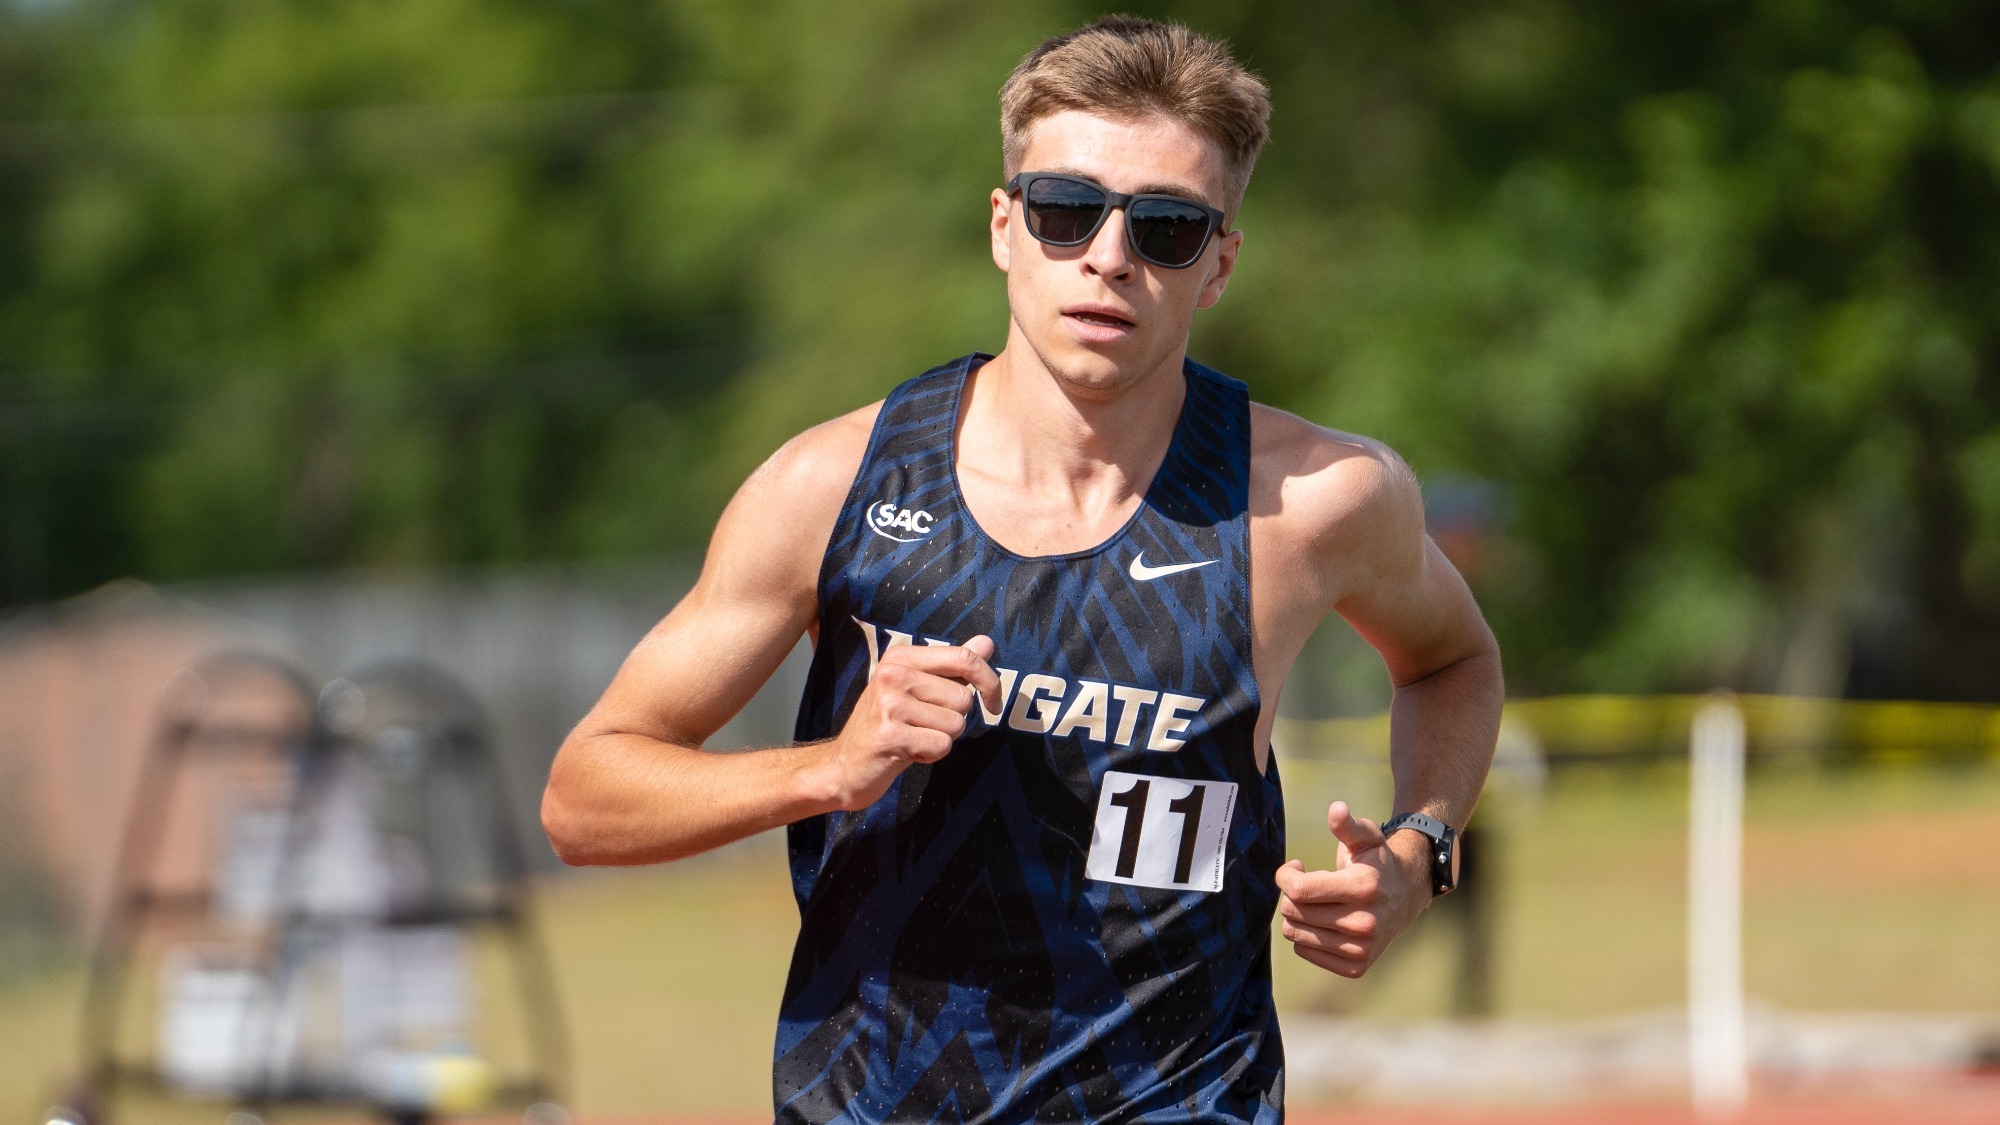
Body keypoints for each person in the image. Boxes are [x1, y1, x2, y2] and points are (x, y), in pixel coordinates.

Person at [541, 16, 1502, 1123]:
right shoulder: (832, 484)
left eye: (1167, 227)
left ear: (1220, 262)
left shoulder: (1315, 501)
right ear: (1004, 228)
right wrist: (828, 768)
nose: (1107, 256)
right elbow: (584, 796)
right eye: (1064, 210)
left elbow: (1453, 659)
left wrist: (1418, 851)